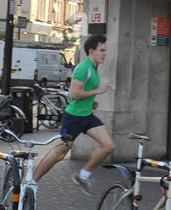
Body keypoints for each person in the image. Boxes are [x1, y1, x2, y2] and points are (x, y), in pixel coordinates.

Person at [31, 33, 115, 194]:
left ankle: (83, 176)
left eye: (105, 50)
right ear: (91, 51)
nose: (104, 53)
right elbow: (74, 94)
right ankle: (32, 182)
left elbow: (84, 93)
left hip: (87, 116)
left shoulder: (93, 67)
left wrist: (92, 102)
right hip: (74, 118)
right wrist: (98, 91)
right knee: (59, 154)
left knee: (108, 146)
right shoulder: (84, 68)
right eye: (101, 50)